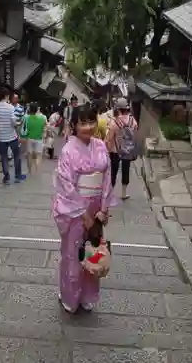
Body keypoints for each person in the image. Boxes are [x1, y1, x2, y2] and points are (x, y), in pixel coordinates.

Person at [53, 104, 117, 313]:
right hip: (76, 209)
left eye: (91, 121)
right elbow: (66, 185)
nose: (88, 127)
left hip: (97, 205)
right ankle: (70, 296)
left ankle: (88, 295)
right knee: (73, 253)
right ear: (74, 125)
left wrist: (103, 208)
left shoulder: (100, 146)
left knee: (92, 251)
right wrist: (83, 214)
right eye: (83, 123)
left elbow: (107, 177)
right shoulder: (68, 151)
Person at [105, 98, 138, 200]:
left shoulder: (114, 123)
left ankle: (110, 193)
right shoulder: (133, 121)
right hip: (127, 150)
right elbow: (135, 135)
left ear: (118, 109)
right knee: (125, 170)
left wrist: (107, 150)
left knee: (113, 172)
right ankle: (124, 193)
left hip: (115, 151)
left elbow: (109, 139)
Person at [0, 88, 26, 185]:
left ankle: (6, 177)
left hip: (0, 137)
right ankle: (18, 176)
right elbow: (14, 122)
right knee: (16, 156)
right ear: (6, 96)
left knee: (4, 157)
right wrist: (18, 123)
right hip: (11, 136)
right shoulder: (10, 107)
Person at [21, 102, 47, 174]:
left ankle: (30, 172)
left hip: (29, 138)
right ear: (37, 109)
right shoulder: (43, 118)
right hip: (39, 139)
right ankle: (37, 171)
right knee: (38, 156)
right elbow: (45, 128)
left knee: (29, 155)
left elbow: (22, 126)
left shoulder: (26, 117)